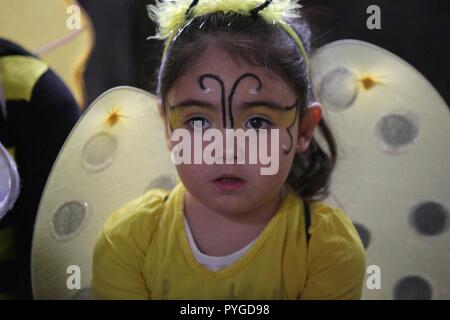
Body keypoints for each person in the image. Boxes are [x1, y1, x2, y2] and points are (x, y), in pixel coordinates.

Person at [92, 0, 366, 300]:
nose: (226, 150)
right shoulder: (128, 241)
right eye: (197, 122)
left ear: (303, 129)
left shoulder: (327, 249)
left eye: (258, 122)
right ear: (167, 126)